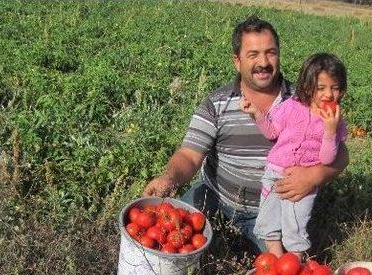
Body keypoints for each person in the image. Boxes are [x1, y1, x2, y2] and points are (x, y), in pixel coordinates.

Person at [143, 15, 348, 253]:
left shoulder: (304, 99)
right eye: (253, 55)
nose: (263, 62)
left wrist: (314, 175)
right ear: (237, 61)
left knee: (282, 272)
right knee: (168, 239)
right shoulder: (217, 103)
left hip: (273, 206)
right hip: (215, 198)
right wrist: (168, 178)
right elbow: (189, 155)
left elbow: (341, 154)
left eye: (270, 52)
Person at [241, 53, 348, 256]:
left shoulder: (335, 121)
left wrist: (330, 131)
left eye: (335, 88)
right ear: (308, 87)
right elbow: (272, 131)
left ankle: (295, 261)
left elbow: (327, 159)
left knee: (295, 226)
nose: (328, 95)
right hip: (274, 174)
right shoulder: (291, 106)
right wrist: (256, 113)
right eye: (321, 88)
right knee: (268, 221)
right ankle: (276, 259)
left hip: (303, 182)